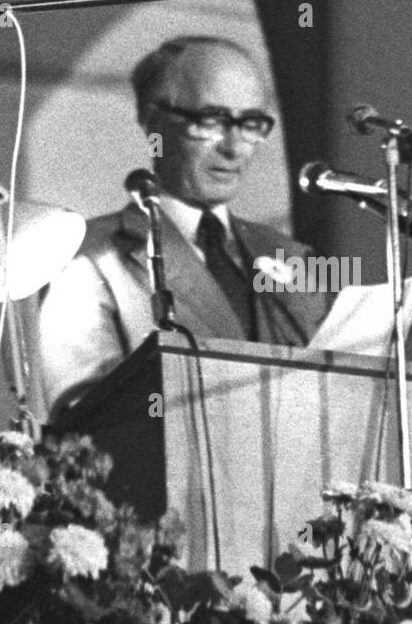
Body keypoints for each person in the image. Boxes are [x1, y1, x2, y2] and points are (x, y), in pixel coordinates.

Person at [36, 35, 334, 421]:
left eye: (251, 124)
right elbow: (87, 416)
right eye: (211, 121)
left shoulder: (293, 260)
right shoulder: (87, 257)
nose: (234, 147)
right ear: (154, 122)